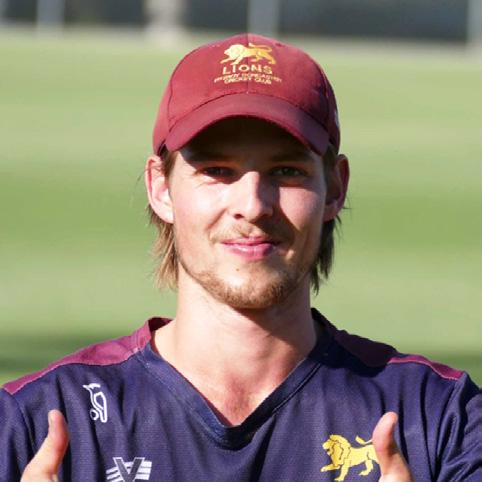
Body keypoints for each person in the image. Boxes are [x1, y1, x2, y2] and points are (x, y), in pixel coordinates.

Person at [1, 33, 480, 482]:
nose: (252, 205)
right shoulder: (33, 423)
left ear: (335, 188)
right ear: (160, 188)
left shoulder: (441, 418)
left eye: (286, 171)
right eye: (216, 170)